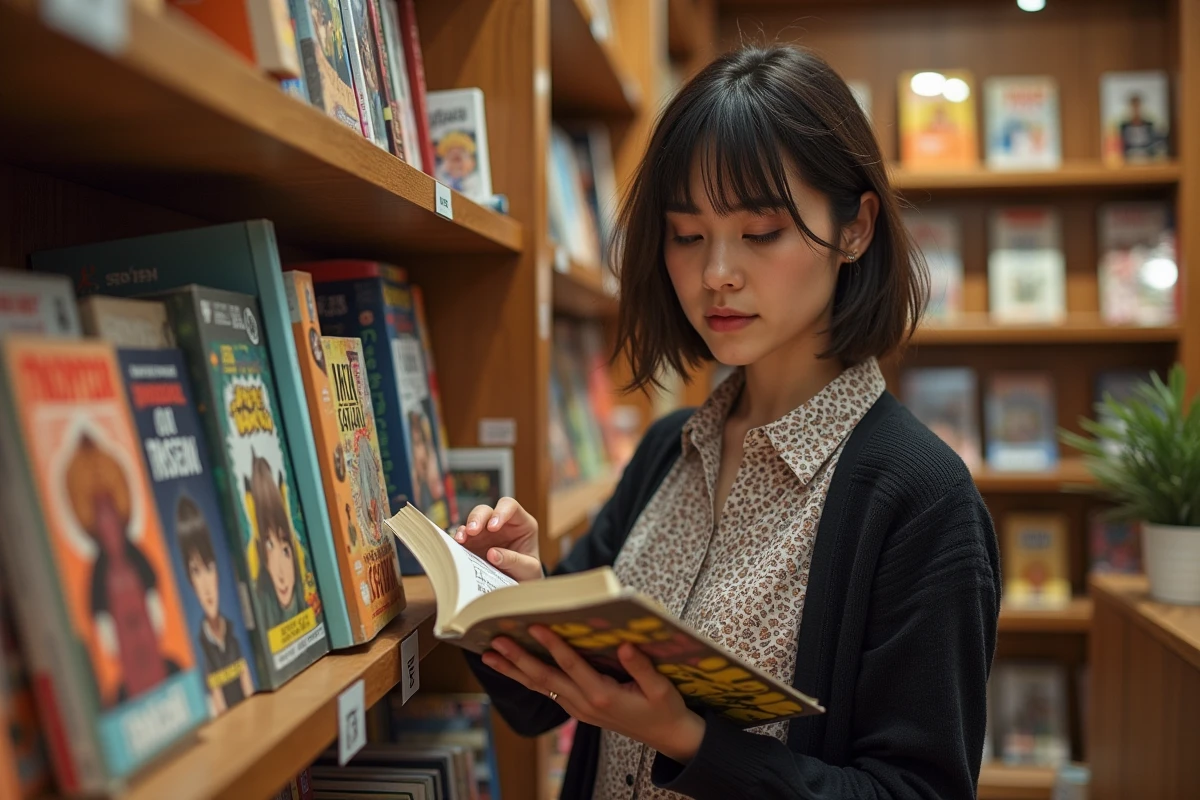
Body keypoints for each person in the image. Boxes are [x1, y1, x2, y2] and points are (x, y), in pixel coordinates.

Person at [455, 45, 999, 799]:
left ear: (856, 228)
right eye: (687, 234)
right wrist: (511, 594)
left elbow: (918, 791)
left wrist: (682, 737)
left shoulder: (921, 497)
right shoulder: (666, 450)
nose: (716, 272)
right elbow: (536, 704)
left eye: (761, 232)